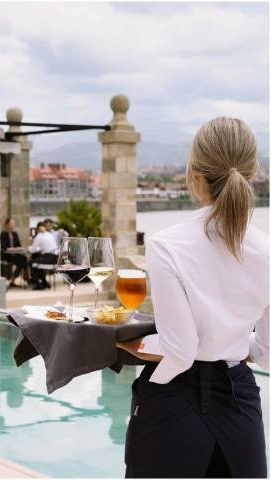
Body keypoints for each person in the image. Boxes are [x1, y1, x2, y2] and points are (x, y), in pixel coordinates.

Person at [118, 117, 268, 478]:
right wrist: (227, 341)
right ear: (252, 173)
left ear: (195, 176)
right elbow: (265, 351)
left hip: (175, 403)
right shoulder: (267, 250)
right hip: (240, 404)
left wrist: (129, 348)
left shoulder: (167, 245)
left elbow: (181, 351)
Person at [28, 221, 59, 290]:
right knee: (37, 263)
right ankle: (44, 283)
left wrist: (29, 249)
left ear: (37, 229)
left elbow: (33, 250)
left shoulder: (39, 236)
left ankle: (39, 284)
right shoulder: (49, 234)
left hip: (49, 258)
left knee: (31, 263)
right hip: (56, 258)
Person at [0, 218, 27, 287]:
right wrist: (13, 249)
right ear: (7, 225)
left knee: (24, 259)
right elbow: (4, 248)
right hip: (7, 255)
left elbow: (19, 245)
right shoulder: (3, 234)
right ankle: (14, 279)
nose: (13, 225)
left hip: (15, 254)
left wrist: (19, 249)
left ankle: (13, 279)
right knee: (23, 261)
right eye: (11, 223)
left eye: (13, 223)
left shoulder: (15, 234)